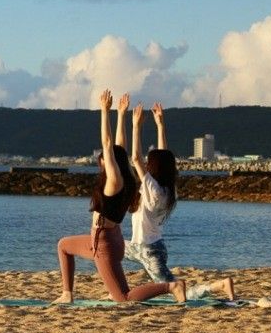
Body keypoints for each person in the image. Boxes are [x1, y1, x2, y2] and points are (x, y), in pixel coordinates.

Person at [53, 89, 187, 304]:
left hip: (104, 244)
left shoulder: (114, 182)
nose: (103, 160)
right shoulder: (127, 180)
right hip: (109, 239)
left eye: (104, 159)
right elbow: (118, 149)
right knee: (64, 245)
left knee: (123, 298)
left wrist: (105, 112)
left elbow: (108, 145)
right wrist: (121, 115)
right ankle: (67, 294)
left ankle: (171, 286)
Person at [125, 98, 234, 301]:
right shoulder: (168, 187)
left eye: (151, 163)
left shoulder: (153, 188)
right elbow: (163, 156)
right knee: (108, 247)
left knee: (178, 290)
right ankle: (116, 288)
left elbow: (135, 159)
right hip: (146, 246)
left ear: (153, 168)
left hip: (147, 250)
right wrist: (160, 125)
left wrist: (135, 127)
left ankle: (219, 285)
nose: (147, 165)